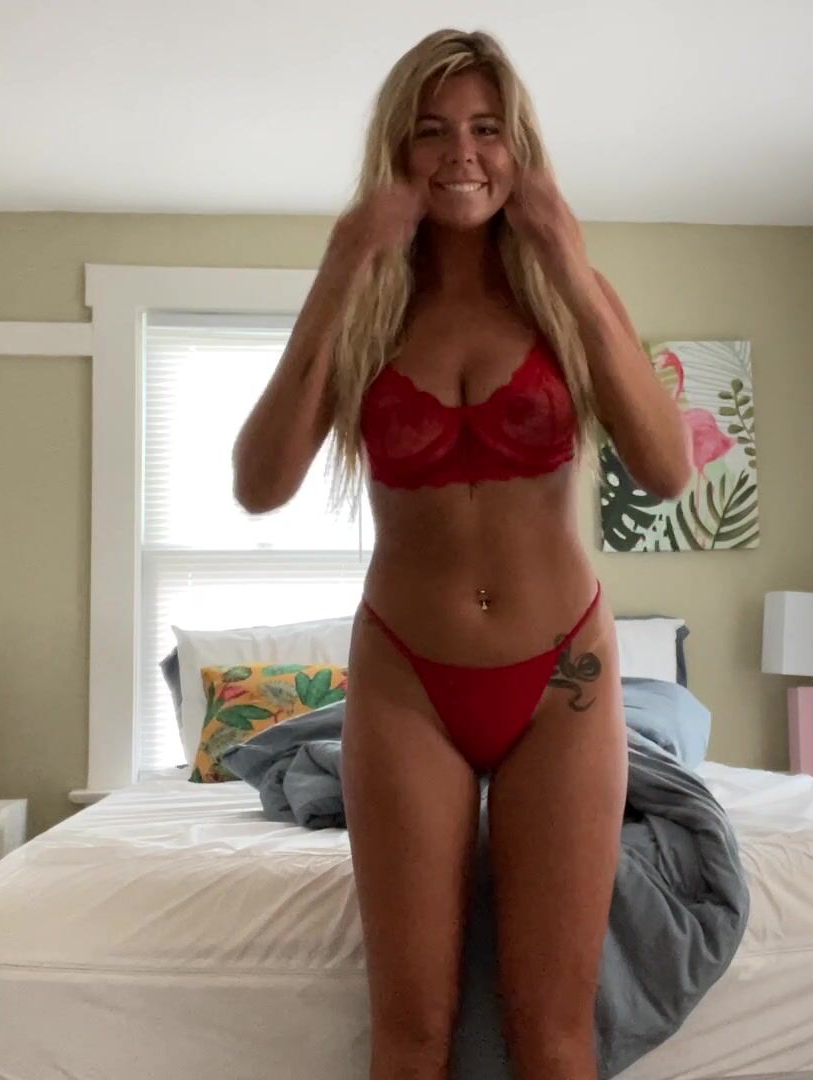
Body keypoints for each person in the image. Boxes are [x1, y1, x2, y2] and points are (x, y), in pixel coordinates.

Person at [232, 27, 691, 1080]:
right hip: (408, 680)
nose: (462, 155)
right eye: (432, 132)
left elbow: (667, 470)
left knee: (555, 1033)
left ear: (519, 147)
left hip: (564, 678)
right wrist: (343, 263)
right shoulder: (367, 311)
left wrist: (565, 257)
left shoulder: (572, 296)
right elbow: (260, 483)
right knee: (410, 1033)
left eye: (487, 129)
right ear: (397, 152)